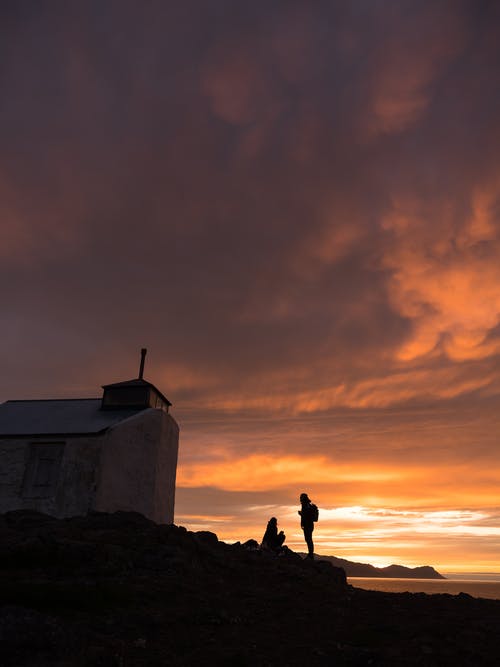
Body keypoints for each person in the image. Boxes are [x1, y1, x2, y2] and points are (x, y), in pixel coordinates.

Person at [298, 492, 315, 559]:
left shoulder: (305, 505)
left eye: (301, 497)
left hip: (308, 525)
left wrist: (301, 514)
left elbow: (305, 516)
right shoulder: (308, 504)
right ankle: (310, 554)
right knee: (308, 539)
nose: (300, 499)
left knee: (308, 539)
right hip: (309, 525)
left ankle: (310, 554)